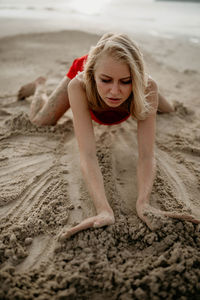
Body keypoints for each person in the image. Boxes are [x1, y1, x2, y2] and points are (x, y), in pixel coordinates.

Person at [18, 33, 200, 238]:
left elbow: (147, 155)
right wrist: (103, 209)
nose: (114, 91)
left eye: (125, 81)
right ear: (94, 75)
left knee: (169, 109)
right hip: (86, 73)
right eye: (106, 81)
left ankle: (132, 82)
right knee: (40, 122)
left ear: (136, 78)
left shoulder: (146, 86)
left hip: (141, 84)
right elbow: (87, 154)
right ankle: (40, 86)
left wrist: (144, 203)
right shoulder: (79, 85)